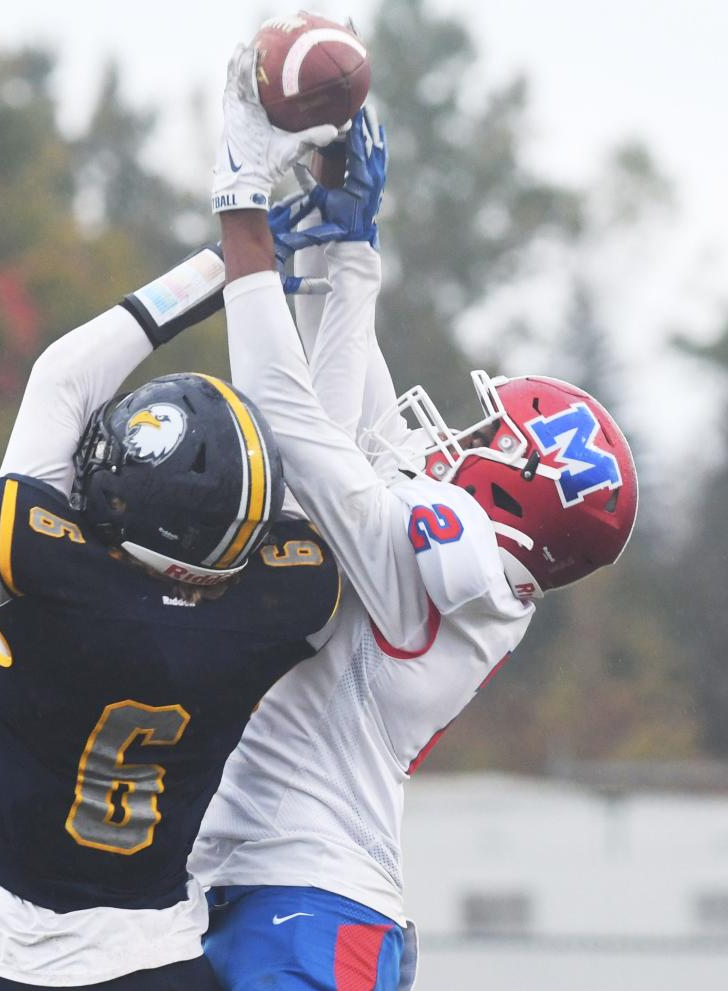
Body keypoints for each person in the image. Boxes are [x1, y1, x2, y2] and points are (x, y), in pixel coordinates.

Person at [188, 46, 639, 991]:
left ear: (518, 490)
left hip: (306, 907)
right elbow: (351, 421)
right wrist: (343, 248)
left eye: (487, 434)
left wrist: (241, 194)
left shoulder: (447, 558)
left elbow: (287, 415)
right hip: (282, 890)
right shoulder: (473, 563)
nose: (457, 436)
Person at [0, 226, 342, 988]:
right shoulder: (282, 604)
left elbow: (59, 378)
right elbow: (306, 447)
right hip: (156, 957)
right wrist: (279, 281)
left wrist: (226, 258)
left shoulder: (40, 570)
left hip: (12, 959)